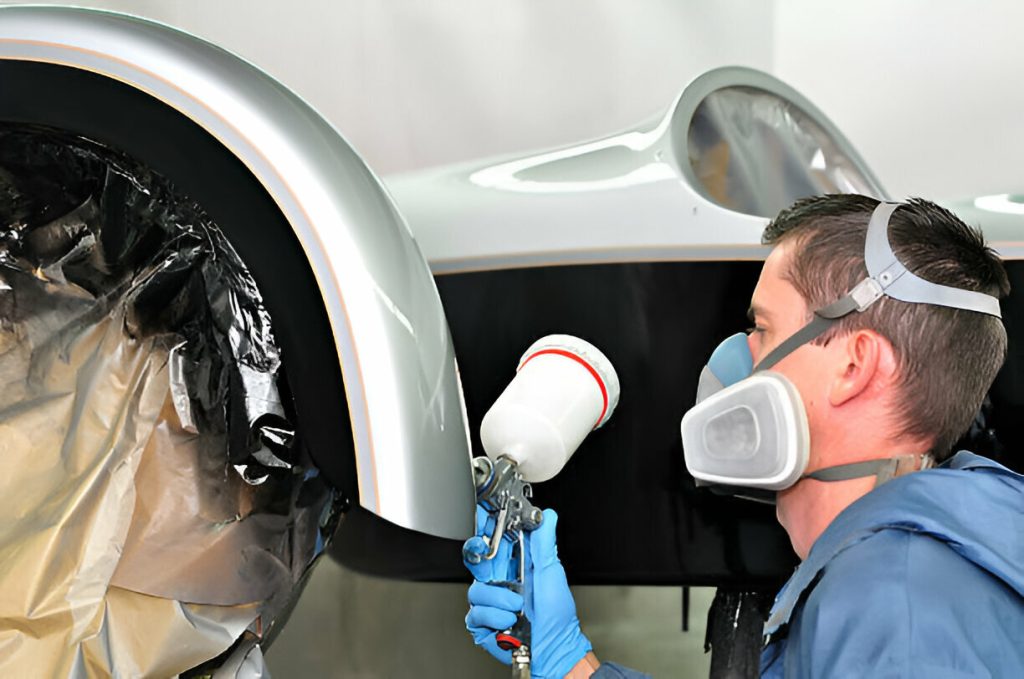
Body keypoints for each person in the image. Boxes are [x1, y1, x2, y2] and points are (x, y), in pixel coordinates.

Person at [463, 194, 1024, 678]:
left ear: (854, 366)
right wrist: (568, 661)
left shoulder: (893, 604)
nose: (741, 357)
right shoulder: (925, 561)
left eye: (761, 328)